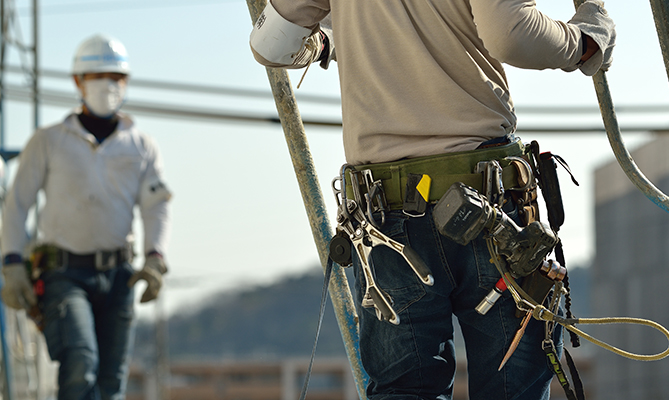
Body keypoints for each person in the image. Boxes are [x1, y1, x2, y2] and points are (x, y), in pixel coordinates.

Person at [250, 1, 615, 399]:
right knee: (514, 389)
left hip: (385, 217)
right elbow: (510, 32)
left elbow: (271, 43)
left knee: (405, 391)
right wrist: (584, 41)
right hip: (490, 205)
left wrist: (329, 44)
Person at [0, 34, 171, 400]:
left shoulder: (141, 145)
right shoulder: (48, 142)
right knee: (80, 361)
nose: (107, 85)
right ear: (78, 82)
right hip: (64, 273)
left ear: (125, 83)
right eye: (97, 76)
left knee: (111, 383)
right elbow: (17, 203)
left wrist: (155, 257)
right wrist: (12, 263)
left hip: (119, 275)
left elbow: (156, 206)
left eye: (115, 77)